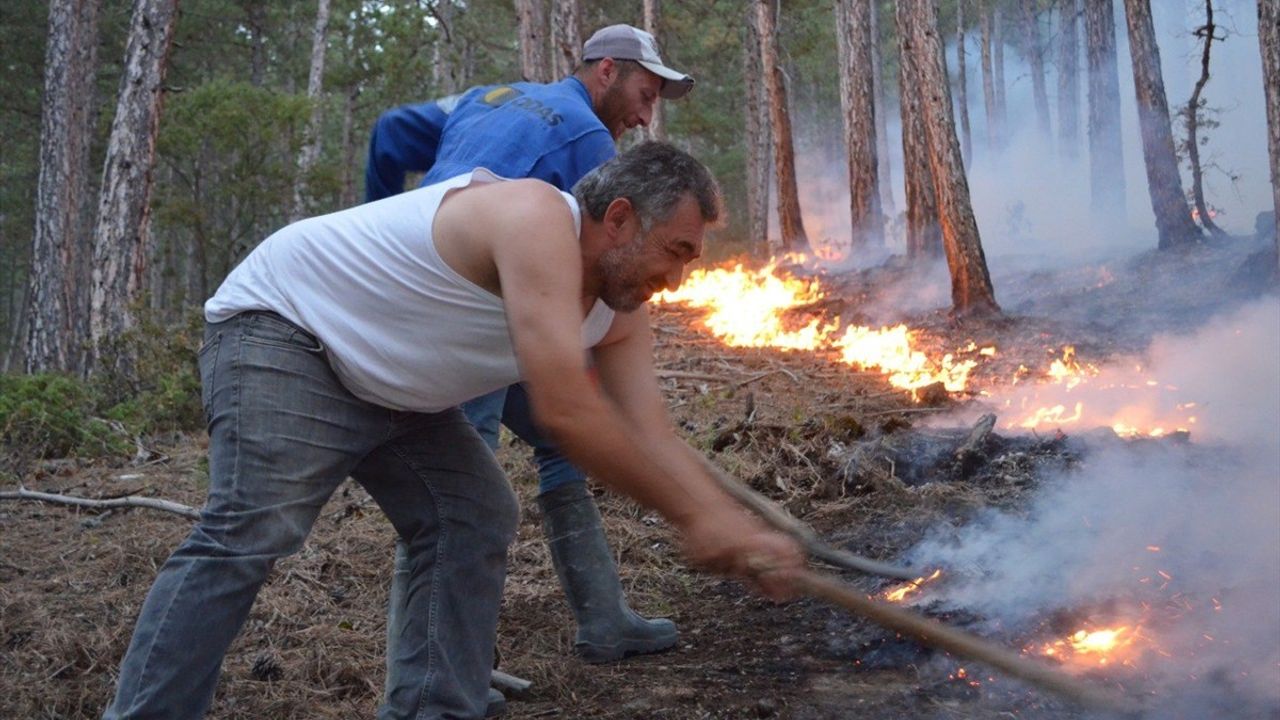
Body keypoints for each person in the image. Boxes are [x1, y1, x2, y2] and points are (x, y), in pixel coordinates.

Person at [103, 142, 804, 720]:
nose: (678, 279)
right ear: (619, 219)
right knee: (251, 528)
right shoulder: (533, 217)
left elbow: (652, 435)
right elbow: (565, 410)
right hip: (289, 331)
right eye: (676, 251)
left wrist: (726, 523)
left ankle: (434, 710)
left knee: (471, 513)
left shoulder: (621, 311)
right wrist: (697, 521)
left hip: (393, 387)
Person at [365, 24, 695, 667]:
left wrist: (380, 224)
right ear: (606, 71)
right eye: (645, 93)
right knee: (456, 493)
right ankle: (450, 670)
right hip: (468, 313)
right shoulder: (591, 140)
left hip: (453, 290)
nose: (645, 114)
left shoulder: (486, 97)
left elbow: (387, 133)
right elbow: (602, 260)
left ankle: (603, 620)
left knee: (558, 440)